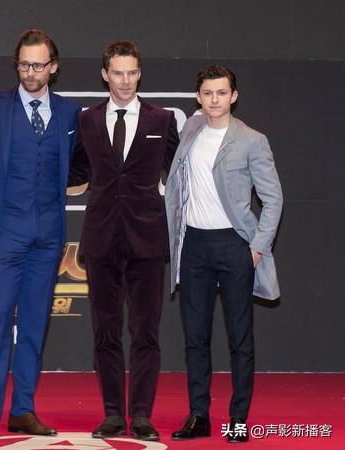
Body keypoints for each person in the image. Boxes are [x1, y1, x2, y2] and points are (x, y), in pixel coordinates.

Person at [68, 41, 179, 441]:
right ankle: (114, 413)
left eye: (132, 72)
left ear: (140, 73)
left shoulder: (162, 119)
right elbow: (74, 172)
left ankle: (142, 415)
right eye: (118, 72)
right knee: (106, 332)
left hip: (147, 239)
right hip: (101, 240)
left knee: (146, 332)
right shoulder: (87, 120)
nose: (126, 80)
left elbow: (181, 173)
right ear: (105, 75)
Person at [165, 65, 283, 443]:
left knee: (239, 339)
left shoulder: (252, 140)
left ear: (233, 96)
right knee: (195, 338)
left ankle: (238, 419)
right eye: (207, 93)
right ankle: (199, 415)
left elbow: (273, 199)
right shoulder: (191, 129)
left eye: (221, 93)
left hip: (234, 247)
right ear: (198, 98)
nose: (214, 99)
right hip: (194, 247)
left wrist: (256, 249)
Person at [0, 29, 81, 441]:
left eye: (38, 65)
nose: (30, 72)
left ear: (53, 67)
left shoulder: (71, 114)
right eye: (23, 64)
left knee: (35, 324)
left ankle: (23, 409)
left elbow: (83, 167)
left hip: (49, 234)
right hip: (5, 232)